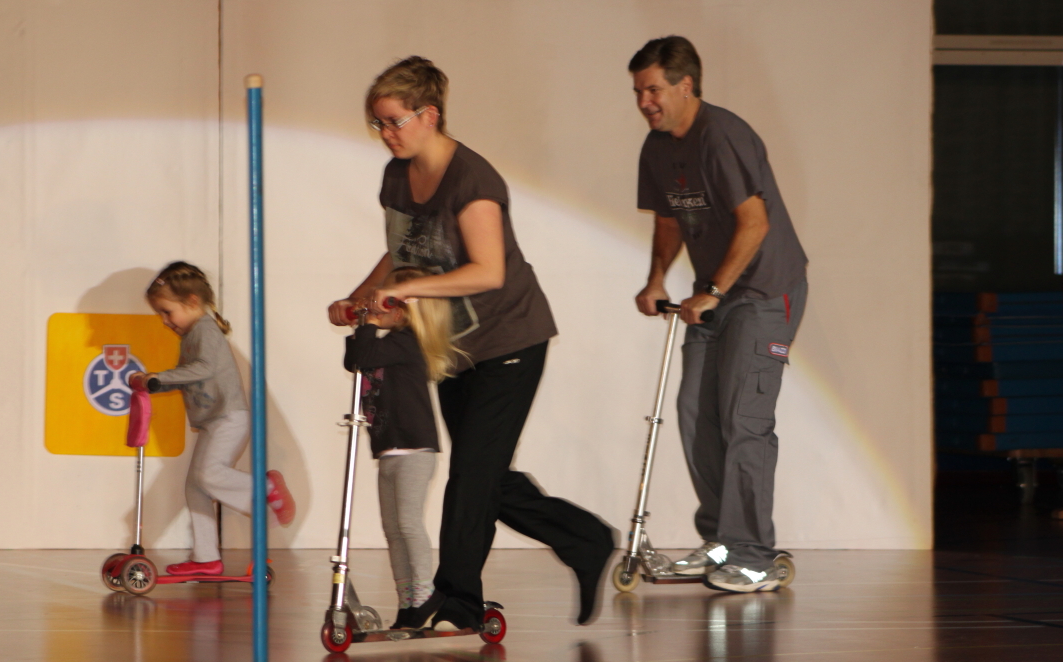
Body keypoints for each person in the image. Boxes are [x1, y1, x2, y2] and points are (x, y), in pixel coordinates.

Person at [328, 56, 615, 631]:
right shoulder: (397, 176)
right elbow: (404, 251)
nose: (385, 134)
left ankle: (457, 601)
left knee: (470, 479)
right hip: (454, 346)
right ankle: (586, 539)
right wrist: (359, 298)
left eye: (394, 121)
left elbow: (488, 271)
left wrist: (408, 292)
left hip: (510, 340)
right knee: (484, 480)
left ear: (429, 115)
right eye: (377, 124)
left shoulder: (474, 181)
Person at [630, 36, 808, 593]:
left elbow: (755, 223)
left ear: (685, 86)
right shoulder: (657, 147)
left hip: (763, 293)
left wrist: (711, 289)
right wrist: (657, 279)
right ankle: (724, 540)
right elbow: (668, 220)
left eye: (653, 90)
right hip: (713, 295)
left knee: (743, 418)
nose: (644, 102)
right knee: (695, 412)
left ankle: (755, 556)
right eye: (638, 92)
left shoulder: (721, 135)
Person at [132, 261, 296, 576]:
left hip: (228, 417)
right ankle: (206, 557)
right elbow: (187, 376)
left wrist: (158, 378)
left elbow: (203, 368)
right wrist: (154, 383)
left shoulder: (205, 329)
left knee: (209, 475)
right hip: (213, 420)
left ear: (192, 301)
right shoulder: (191, 334)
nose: (165, 321)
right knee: (196, 487)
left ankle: (264, 488)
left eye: (167, 312)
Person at [342, 267, 456, 630]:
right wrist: (362, 320)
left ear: (403, 310)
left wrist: (367, 323)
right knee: (392, 529)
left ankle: (424, 594)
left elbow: (363, 355)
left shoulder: (407, 341)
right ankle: (408, 601)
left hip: (414, 449)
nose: (377, 307)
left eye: (384, 301)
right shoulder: (384, 344)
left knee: (408, 524)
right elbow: (354, 360)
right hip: (389, 450)